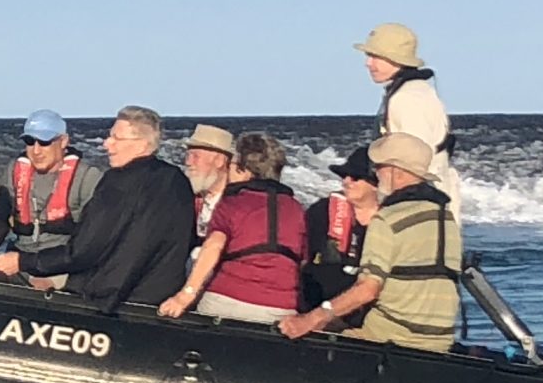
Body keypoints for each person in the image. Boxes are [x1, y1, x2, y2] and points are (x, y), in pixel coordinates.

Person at [0, 105, 191, 310]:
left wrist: (24, 262)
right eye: (30, 141)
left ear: (142, 144)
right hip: (159, 299)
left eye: (116, 138)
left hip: (114, 300)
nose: (106, 144)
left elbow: (84, 251)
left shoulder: (115, 183)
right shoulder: (178, 181)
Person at [279, 132, 462, 349]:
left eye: (380, 167)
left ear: (395, 171)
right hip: (440, 338)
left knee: (311, 332)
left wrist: (312, 319)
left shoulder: (388, 219)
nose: (377, 172)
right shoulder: (446, 218)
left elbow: (367, 289)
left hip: (390, 335)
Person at [159, 132, 308, 325]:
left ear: (242, 170)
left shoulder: (233, 203)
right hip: (281, 308)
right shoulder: (296, 208)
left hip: (228, 299)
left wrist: (185, 295)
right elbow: (302, 260)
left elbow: (213, 246)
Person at [0, 109, 103, 285]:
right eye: (29, 142)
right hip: (20, 259)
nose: (36, 150)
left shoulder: (87, 177)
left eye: (44, 142)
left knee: (41, 285)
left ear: (63, 141)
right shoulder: (13, 171)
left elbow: (91, 243)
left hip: (61, 265)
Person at [356, 23, 461, 214]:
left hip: (419, 206)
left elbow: (413, 164)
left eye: (376, 57)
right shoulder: (417, 91)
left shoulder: (406, 98)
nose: (368, 63)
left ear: (396, 59)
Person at [301, 144, 382, 325]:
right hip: (316, 307)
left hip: (366, 316)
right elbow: (302, 255)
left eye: (355, 177)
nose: (346, 181)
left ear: (376, 185)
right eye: (344, 176)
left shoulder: (391, 221)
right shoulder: (322, 211)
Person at [183, 123, 237, 234]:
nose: (188, 162)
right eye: (187, 156)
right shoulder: (187, 202)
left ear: (219, 161)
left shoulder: (238, 203)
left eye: (195, 156)